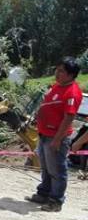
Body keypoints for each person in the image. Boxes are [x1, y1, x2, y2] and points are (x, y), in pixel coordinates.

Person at [24, 57, 82, 212]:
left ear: (70, 75)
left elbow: (69, 117)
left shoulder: (72, 92)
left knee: (57, 170)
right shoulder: (57, 86)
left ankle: (56, 201)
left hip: (55, 137)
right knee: (45, 167)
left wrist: (57, 140)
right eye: (57, 70)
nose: (57, 73)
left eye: (61, 71)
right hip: (44, 134)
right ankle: (43, 193)